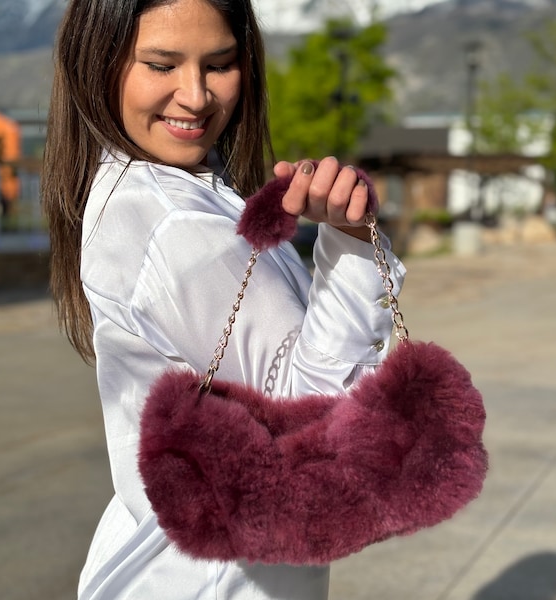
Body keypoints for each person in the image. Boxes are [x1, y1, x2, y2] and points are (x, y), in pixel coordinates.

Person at [41, 0, 406, 598]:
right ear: (96, 63)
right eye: (160, 64)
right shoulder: (177, 226)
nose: (195, 96)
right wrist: (350, 250)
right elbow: (305, 421)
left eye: (220, 64)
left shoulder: (142, 188)